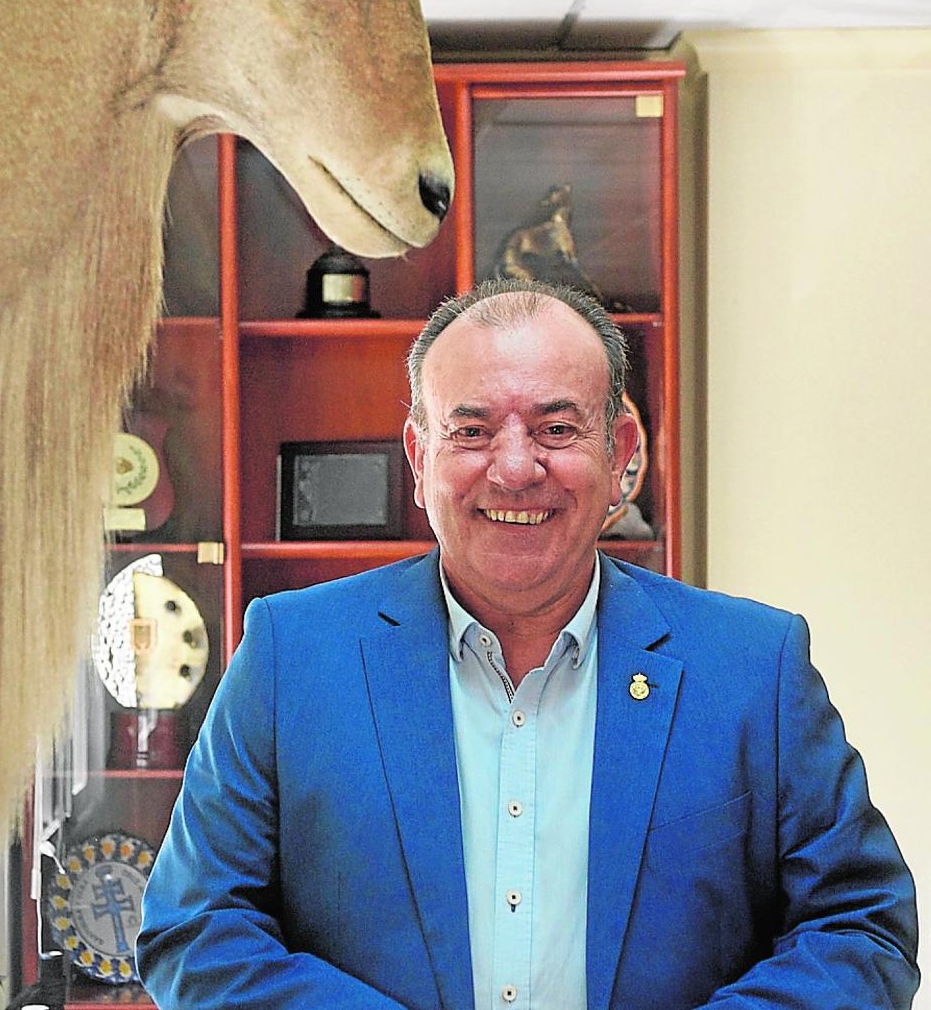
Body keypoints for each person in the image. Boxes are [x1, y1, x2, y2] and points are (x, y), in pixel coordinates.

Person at [137, 278, 919, 1008]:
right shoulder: (291, 657)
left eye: (555, 428)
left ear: (619, 456)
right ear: (419, 458)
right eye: (471, 430)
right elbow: (195, 926)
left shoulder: (753, 667)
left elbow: (860, 926)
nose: (514, 469)